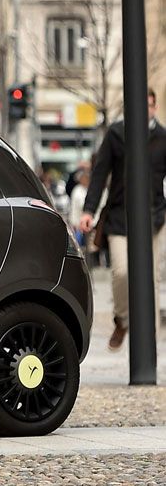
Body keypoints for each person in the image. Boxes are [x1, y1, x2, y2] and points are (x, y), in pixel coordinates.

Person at [80, 88, 166, 350]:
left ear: (154, 108)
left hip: (154, 216)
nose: (146, 110)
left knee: (150, 277)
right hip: (120, 216)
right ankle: (123, 319)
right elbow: (99, 173)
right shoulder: (116, 134)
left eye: (150, 106)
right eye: (142, 105)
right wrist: (88, 210)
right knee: (122, 271)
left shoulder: (162, 138)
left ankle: (148, 341)